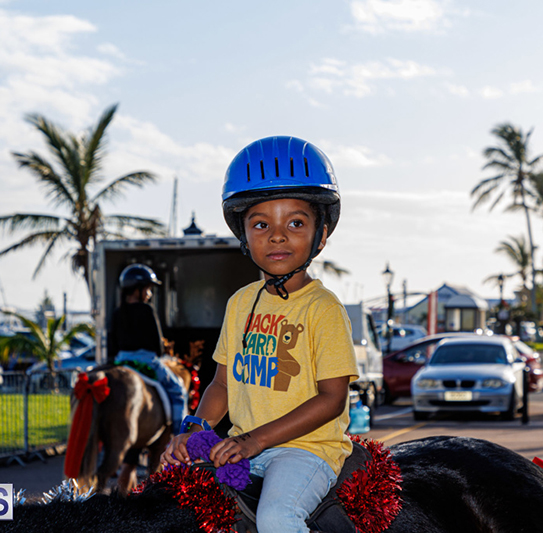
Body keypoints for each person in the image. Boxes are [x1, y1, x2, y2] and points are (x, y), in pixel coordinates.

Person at [161, 136, 359, 533]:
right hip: (244, 446)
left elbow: (332, 399)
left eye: (296, 223)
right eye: (261, 224)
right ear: (244, 236)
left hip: (305, 450)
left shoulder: (323, 308)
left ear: (320, 235)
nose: (277, 235)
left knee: (276, 519)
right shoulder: (240, 303)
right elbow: (222, 384)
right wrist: (195, 430)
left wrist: (254, 440)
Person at [109, 263, 188, 433]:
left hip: (121, 362)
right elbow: (157, 346)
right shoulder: (147, 310)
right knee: (178, 391)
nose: (149, 294)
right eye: (148, 289)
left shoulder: (117, 312)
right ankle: (179, 436)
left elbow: (112, 345)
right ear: (137, 289)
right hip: (147, 361)